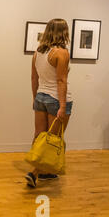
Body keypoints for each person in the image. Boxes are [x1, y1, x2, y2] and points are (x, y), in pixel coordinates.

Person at [25, 18, 74, 188]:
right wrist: (62, 106)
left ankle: (45, 171)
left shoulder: (38, 52)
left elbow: (33, 77)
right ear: (64, 32)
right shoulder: (61, 53)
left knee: (39, 136)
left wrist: (35, 98)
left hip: (41, 97)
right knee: (53, 138)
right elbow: (61, 80)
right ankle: (35, 172)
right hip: (56, 99)